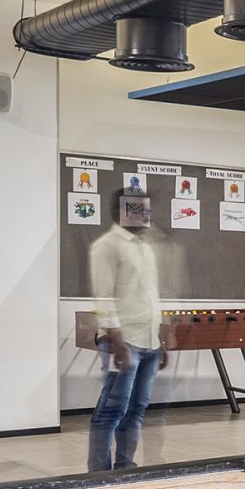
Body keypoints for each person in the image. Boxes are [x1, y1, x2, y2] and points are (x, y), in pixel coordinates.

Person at [89, 186, 168, 471]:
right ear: (119, 211)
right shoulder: (107, 245)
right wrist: (117, 341)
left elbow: (150, 295)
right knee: (111, 411)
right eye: (138, 208)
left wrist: (161, 337)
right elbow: (105, 296)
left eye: (147, 208)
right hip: (122, 342)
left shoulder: (144, 247)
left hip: (148, 341)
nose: (146, 214)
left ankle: (126, 467)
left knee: (136, 410)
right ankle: (98, 473)